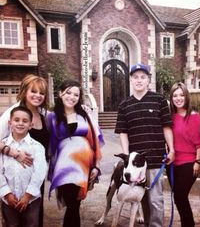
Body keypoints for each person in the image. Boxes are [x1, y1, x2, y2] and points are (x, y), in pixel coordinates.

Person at [115, 63, 175, 227]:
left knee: (156, 199)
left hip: (156, 159)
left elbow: (166, 127)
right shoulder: (124, 105)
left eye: (143, 77)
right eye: (135, 77)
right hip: (136, 164)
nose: (139, 80)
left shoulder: (159, 100)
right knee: (142, 198)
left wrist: (172, 149)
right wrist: (127, 157)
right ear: (131, 80)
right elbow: (123, 132)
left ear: (148, 80)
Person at [47, 80, 104, 227]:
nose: (72, 97)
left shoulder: (85, 115)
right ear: (60, 93)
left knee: (76, 205)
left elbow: (95, 142)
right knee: (72, 204)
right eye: (68, 93)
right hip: (64, 168)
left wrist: (96, 166)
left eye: (76, 95)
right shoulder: (52, 117)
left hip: (83, 167)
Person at [0, 74, 50, 227]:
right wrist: (13, 152)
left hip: (34, 179)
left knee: (33, 220)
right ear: (24, 91)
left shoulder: (44, 115)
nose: (37, 96)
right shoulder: (13, 113)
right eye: (33, 91)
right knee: (13, 221)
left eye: (41, 93)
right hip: (12, 178)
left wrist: (83, 109)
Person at [169, 82, 200, 227]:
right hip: (172, 163)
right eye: (175, 95)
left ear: (186, 96)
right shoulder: (170, 117)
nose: (178, 98)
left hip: (189, 163)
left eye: (181, 95)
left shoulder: (194, 117)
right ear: (171, 98)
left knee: (180, 196)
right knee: (178, 198)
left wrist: (198, 161)